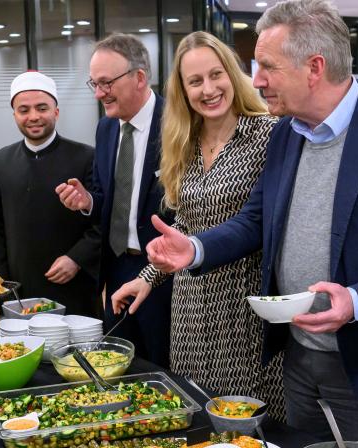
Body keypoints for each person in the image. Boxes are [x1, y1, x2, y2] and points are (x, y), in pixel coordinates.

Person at [144, 0, 358, 448]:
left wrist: (355, 301)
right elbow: (257, 220)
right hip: (297, 357)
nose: (255, 81)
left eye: (268, 66)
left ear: (314, 68)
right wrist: (194, 249)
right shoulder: (286, 134)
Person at [109, 33, 284, 419]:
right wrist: (147, 277)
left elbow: (257, 223)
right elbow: (184, 228)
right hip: (189, 308)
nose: (208, 89)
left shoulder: (268, 134)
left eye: (215, 75)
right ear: (183, 90)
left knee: (246, 425)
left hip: (243, 307)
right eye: (195, 81)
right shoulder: (182, 143)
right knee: (197, 415)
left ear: (233, 75)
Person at [55, 34, 174, 368]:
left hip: (165, 272)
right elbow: (105, 195)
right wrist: (87, 202)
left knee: (163, 367)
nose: (98, 93)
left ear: (139, 77)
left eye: (106, 82)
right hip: (117, 267)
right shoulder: (106, 129)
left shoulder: (178, 124)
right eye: (94, 83)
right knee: (120, 363)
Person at [0, 71, 101, 317]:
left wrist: (77, 259)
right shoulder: (0, 161)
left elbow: (102, 220)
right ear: (14, 114)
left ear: (56, 112)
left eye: (42, 108)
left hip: (73, 285)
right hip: (19, 289)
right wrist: (2, 282)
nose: (33, 116)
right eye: (24, 110)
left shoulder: (87, 157)